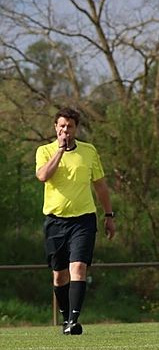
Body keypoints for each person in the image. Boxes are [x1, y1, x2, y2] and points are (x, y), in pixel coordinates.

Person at [35, 107, 116, 335]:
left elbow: (100, 186)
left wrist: (109, 215)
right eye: (62, 126)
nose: (65, 130)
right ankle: (65, 317)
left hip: (83, 220)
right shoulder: (45, 151)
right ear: (55, 127)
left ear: (76, 129)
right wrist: (60, 151)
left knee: (79, 267)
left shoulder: (89, 151)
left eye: (69, 126)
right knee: (59, 275)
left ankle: (74, 320)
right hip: (55, 221)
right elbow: (43, 176)